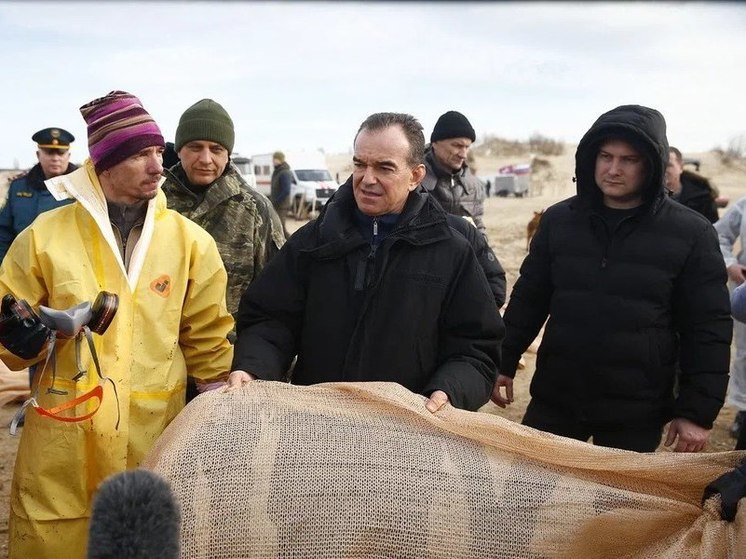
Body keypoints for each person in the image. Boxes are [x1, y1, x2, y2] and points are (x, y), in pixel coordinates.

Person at [0, 90, 234, 558]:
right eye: (140, 155)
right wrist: (20, 335)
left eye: (157, 152)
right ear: (104, 165)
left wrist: (216, 413)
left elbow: (209, 340)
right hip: (67, 432)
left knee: (147, 541)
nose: (157, 166)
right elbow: (12, 326)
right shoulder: (44, 238)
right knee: (56, 537)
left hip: (157, 429)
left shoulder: (191, 243)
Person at [491, 104, 732, 453]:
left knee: (615, 507)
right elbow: (530, 298)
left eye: (628, 160)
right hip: (556, 398)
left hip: (636, 410)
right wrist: (503, 360)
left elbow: (707, 328)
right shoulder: (560, 221)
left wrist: (697, 411)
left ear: (652, 164)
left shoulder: (691, 233)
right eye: (605, 156)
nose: (613, 169)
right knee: (524, 501)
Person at [227, 112, 503, 413]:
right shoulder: (313, 241)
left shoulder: (452, 251)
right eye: (360, 164)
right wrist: (253, 367)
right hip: (317, 421)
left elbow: (477, 348)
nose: (367, 179)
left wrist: (450, 389)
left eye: (384, 168)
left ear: (415, 176)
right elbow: (270, 319)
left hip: (413, 430)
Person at [161, 98, 285, 318]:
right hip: (161, 346)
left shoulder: (255, 210)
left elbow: (279, 297)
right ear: (179, 150)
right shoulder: (155, 203)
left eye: (216, 149)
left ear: (228, 154)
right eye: (195, 147)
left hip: (229, 348)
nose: (206, 159)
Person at [0, 127, 77, 263]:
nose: (55, 158)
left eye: (60, 153)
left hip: (68, 269)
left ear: (68, 156)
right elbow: (4, 232)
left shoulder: (82, 189)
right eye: (49, 152)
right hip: (23, 268)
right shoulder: (18, 186)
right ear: (38, 155)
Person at [422, 110, 487, 241]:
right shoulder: (412, 180)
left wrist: (484, 256)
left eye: (467, 147)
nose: (463, 154)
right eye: (457, 145)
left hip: (462, 259)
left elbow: (479, 229)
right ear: (435, 142)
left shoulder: (474, 186)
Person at [714, 195, 746, 447]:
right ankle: (744, 412)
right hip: (745, 293)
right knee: (745, 354)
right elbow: (719, 235)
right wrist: (731, 264)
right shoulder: (743, 205)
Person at [665, 146, 719, 223]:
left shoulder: (701, 199)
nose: (663, 169)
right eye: (660, 164)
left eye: (668, 165)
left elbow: (712, 229)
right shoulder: (646, 195)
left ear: (681, 167)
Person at [270, 150, 293, 238]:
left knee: (281, 227)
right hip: (276, 204)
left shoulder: (284, 173)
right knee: (277, 226)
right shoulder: (277, 172)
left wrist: (276, 201)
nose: (273, 161)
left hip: (282, 206)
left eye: (275, 159)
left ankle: (292, 243)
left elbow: (286, 190)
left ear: (280, 160)